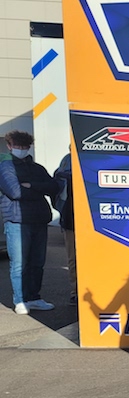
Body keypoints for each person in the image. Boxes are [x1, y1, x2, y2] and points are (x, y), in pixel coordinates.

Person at [0, 131, 60, 314]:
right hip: (16, 221)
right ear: (9, 146)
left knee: (37, 262)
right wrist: (38, 189)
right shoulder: (5, 167)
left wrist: (31, 185)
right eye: (18, 146)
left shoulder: (37, 168)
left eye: (25, 147)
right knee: (19, 263)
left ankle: (34, 298)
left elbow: (54, 186)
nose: (21, 149)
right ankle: (20, 300)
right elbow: (15, 192)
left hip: (39, 220)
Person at [54, 150, 77, 304]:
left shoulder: (94, 162)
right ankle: (75, 291)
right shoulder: (66, 164)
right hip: (70, 219)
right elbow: (56, 192)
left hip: (91, 220)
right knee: (73, 258)